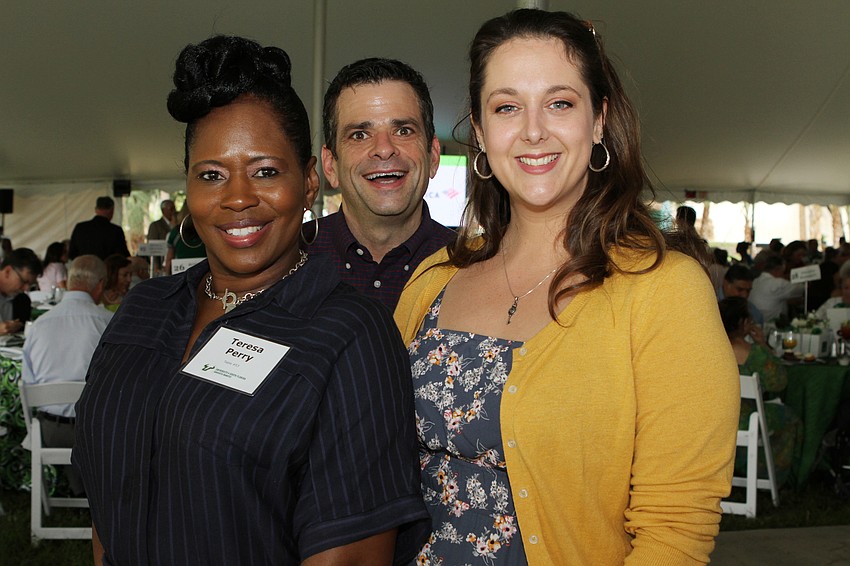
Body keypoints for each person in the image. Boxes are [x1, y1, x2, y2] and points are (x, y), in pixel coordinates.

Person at [394, 9, 739, 564]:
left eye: (560, 103)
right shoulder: (434, 280)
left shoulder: (663, 292)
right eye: (507, 107)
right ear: (480, 133)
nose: (533, 130)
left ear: (599, 120)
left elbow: (675, 528)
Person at [73, 35, 427, 565]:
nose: (237, 197)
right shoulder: (144, 308)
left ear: (309, 182)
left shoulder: (350, 336)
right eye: (211, 175)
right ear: (188, 189)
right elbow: (108, 504)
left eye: (265, 171)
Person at [310, 57, 456, 310]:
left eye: (403, 131)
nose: (384, 149)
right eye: (359, 135)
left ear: (433, 156)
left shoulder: (474, 265)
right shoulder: (288, 261)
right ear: (330, 165)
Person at [22, 255, 112, 496]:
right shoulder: (109, 323)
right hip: (96, 433)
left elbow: (28, 383)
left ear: (70, 281)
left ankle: (75, 487)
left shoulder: (39, 324)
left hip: (49, 433)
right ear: (101, 285)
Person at [719, 297, 802, 487]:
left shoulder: (709, 350)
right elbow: (779, 382)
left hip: (714, 419)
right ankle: (771, 474)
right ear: (744, 323)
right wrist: (763, 344)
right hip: (746, 419)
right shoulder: (754, 353)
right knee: (790, 418)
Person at [68, 196, 130, 260]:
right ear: (111, 210)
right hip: (107, 269)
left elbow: (72, 254)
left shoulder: (80, 228)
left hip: (83, 268)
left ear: (96, 210)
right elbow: (122, 255)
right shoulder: (116, 231)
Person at [750, 254, 804, 324]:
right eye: (783, 271)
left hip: (755, 321)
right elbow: (801, 289)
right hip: (771, 325)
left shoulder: (755, 281)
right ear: (778, 269)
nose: (783, 275)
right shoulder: (778, 283)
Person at [0, 248, 41, 335]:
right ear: (7, 272)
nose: (26, 289)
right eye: (24, 281)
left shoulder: (22, 301)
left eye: (30, 285)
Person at [164, 206, 207, 274]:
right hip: (203, 271)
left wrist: (166, 274)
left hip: (180, 272)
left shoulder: (175, 232)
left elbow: (169, 259)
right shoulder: (206, 230)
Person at [147, 199, 178, 271]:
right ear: (163, 210)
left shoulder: (178, 225)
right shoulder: (155, 225)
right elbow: (152, 247)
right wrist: (156, 267)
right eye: (171, 209)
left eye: (174, 208)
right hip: (162, 264)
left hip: (176, 262)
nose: (173, 211)